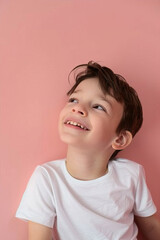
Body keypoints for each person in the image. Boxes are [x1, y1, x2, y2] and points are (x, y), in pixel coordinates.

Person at [16, 61, 160, 240]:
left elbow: (152, 228)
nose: (78, 108)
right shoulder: (47, 178)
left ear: (120, 139)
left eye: (98, 106)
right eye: (73, 100)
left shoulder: (131, 174)